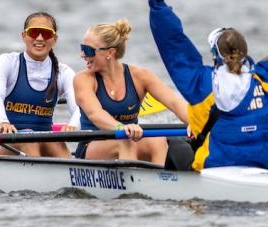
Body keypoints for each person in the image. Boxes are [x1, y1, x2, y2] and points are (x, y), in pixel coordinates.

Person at [146, 0, 268, 170]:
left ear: (215, 55)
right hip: (265, 160)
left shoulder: (202, 84)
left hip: (217, 164)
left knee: (176, 146)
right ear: (244, 51)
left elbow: (173, 45)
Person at [73, 18, 189, 164]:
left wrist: (195, 123)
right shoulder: (83, 79)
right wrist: (121, 127)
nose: (82, 55)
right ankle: (134, 178)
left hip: (129, 140)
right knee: (125, 141)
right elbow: (95, 114)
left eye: (88, 50)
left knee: (158, 140)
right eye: (82, 48)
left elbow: (175, 102)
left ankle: (159, 177)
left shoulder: (140, 76)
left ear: (110, 52)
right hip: (92, 145)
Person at [0, 12, 79, 157]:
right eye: (34, 32)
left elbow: (79, 107)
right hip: (6, 143)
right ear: (24, 36)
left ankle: (67, 169)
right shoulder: (6, 63)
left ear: (54, 39)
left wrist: (73, 125)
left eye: (46, 34)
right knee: (29, 138)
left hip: (43, 141)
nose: (40, 38)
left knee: (56, 142)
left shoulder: (64, 73)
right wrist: (3, 122)